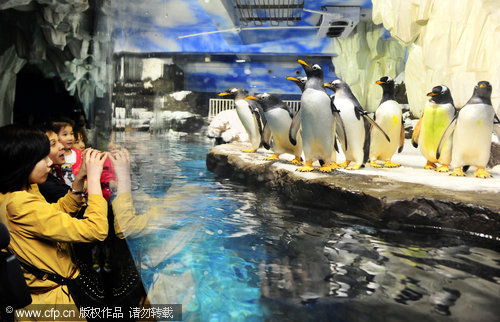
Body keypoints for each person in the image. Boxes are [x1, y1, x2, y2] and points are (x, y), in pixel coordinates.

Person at [0, 124, 108, 308]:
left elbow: (53, 214)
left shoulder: (23, 189)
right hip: (53, 304)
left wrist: (80, 178)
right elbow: (96, 230)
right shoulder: (18, 205)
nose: (49, 162)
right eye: (41, 158)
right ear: (22, 164)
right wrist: (95, 180)